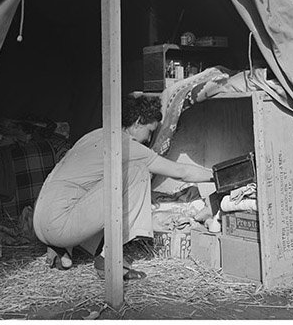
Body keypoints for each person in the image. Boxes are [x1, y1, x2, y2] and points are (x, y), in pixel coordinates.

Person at [33, 95, 213, 280]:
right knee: (137, 171)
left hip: (40, 221)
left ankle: (64, 247)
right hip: (60, 225)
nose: (149, 138)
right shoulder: (126, 146)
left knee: (105, 181)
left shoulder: (96, 134)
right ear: (137, 123)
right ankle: (108, 259)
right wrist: (216, 175)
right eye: (149, 131)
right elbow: (181, 172)